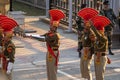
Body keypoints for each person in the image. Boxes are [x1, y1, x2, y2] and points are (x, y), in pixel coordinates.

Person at [42, 9, 65, 80]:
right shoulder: (50, 33)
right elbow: (43, 36)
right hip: (49, 52)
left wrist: (44, 36)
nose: (50, 26)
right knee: (49, 70)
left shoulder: (55, 35)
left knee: (52, 71)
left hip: (53, 53)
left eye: (51, 25)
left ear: (55, 27)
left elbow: (46, 39)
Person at [78, 8, 99, 80]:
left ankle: (89, 78)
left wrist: (91, 53)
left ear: (89, 25)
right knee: (82, 66)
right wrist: (80, 48)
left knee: (87, 67)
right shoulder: (84, 33)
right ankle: (85, 78)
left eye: (86, 24)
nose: (85, 25)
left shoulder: (91, 33)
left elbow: (94, 43)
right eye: (84, 23)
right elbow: (81, 41)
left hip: (89, 50)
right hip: (84, 50)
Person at [90, 15, 111, 80]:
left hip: (101, 57)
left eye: (100, 31)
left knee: (100, 75)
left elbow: (99, 36)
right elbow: (96, 48)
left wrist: (93, 27)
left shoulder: (104, 38)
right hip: (97, 57)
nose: (98, 32)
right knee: (97, 75)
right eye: (98, 30)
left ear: (102, 31)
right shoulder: (96, 39)